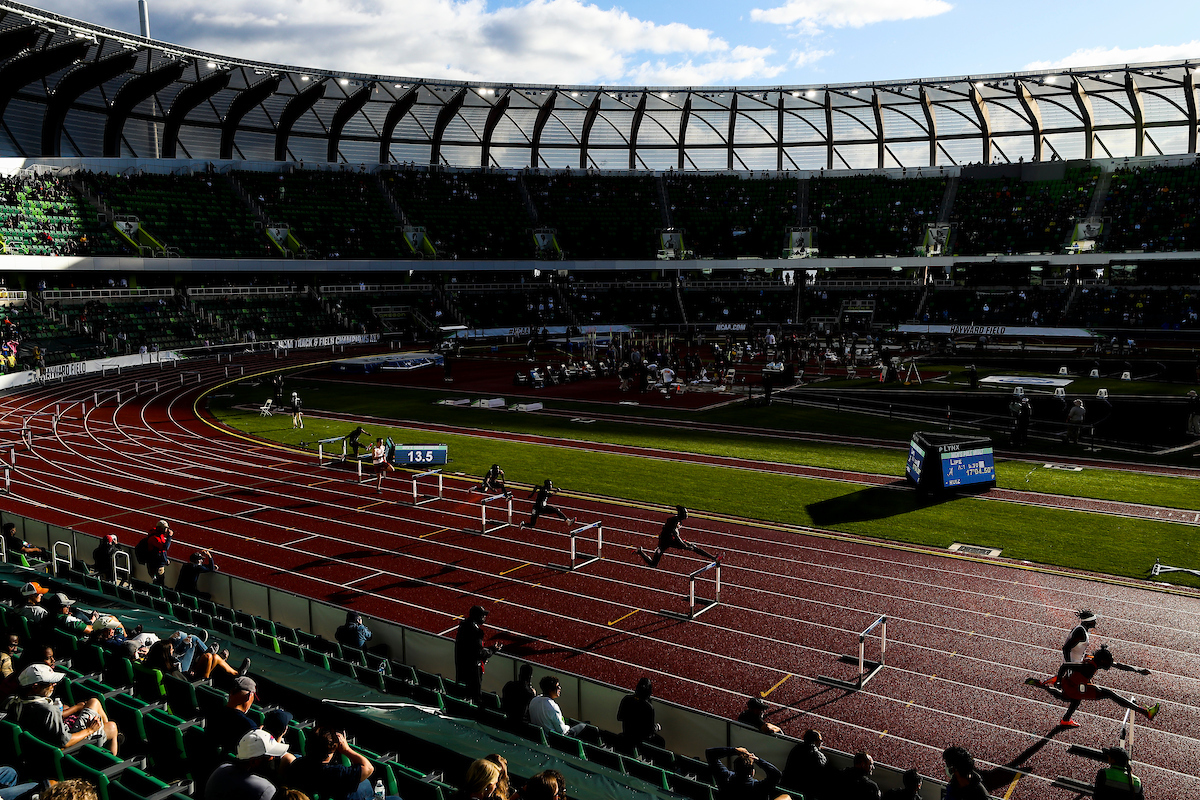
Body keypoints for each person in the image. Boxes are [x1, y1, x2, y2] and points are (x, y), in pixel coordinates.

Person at [1025, 645, 1158, 728]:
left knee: (1070, 698)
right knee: (1109, 694)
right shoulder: (1088, 666)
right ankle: (1144, 712)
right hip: (1074, 686)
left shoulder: (1093, 659)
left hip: (1073, 683)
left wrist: (1138, 670)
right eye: (1108, 662)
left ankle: (1062, 715)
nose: (1109, 664)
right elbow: (1065, 666)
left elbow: (1118, 665)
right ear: (1101, 661)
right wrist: (1058, 681)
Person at [6, 663, 119, 754]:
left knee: (94, 702)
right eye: (50, 683)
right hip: (64, 750)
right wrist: (89, 730)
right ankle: (112, 763)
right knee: (112, 727)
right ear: (35, 687)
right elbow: (65, 742)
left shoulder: (13, 702)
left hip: (38, 746)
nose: (54, 684)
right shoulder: (48, 710)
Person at [284, 723, 375, 800]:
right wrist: (346, 749)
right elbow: (368, 768)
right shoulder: (336, 773)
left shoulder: (297, 765)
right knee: (363, 784)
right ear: (331, 751)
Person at [205, 728, 289, 800]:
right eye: (271, 756)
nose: (274, 758)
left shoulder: (221, 770)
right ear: (253, 761)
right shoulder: (265, 790)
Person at [636, 506, 717, 567]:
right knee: (653, 564)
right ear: (681, 514)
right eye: (685, 513)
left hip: (672, 539)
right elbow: (677, 538)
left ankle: (713, 558)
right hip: (664, 542)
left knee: (693, 547)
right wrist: (684, 546)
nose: (687, 515)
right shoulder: (672, 522)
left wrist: (686, 546)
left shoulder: (678, 520)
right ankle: (640, 551)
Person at [1043, 609, 1099, 687]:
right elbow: (1066, 648)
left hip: (1077, 662)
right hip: (1073, 663)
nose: (1095, 623)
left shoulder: (1082, 630)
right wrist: (1069, 664)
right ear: (1087, 622)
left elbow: (1076, 647)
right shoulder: (1080, 632)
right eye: (1093, 621)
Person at [205, 675, 260, 754]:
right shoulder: (249, 726)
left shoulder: (213, 713)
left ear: (231, 692)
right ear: (250, 696)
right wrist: (258, 733)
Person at [705, 746, 782, 800]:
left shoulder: (725, 778)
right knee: (787, 797)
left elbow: (710, 753)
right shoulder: (758, 788)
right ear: (752, 772)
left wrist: (734, 750)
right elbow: (776, 774)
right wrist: (758, 760)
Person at [455, 606, 497, 703]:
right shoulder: (476, 631)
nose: (484, 618)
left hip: (462, 665)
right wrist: (492, 650)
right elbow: (478, 653)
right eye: (482, 616)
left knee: (464, 692)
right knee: (475, 695)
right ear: (477, 616)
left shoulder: (463, 626)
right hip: (472, 669)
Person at [781, 729, 832, 799]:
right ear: (818, 742)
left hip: (788, 786)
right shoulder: (819, 757)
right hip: (805, 792)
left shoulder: (796, 749)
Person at [617, 677, 664, 748]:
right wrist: (656, 727)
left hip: (627, 734)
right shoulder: (648, 707)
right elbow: (649, 731)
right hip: (640, 740)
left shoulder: (626, 699)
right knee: (661, 741)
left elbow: (619, 717)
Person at [144, 520, 173, 586]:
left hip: (155, 562)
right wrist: (169, 537)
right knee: (159, 581)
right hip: (156, 564)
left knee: (158, 580)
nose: (167, 530)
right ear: (160, 528)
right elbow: (164, 548)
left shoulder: (157, 535)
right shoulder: (155, 538)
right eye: (165, 528)